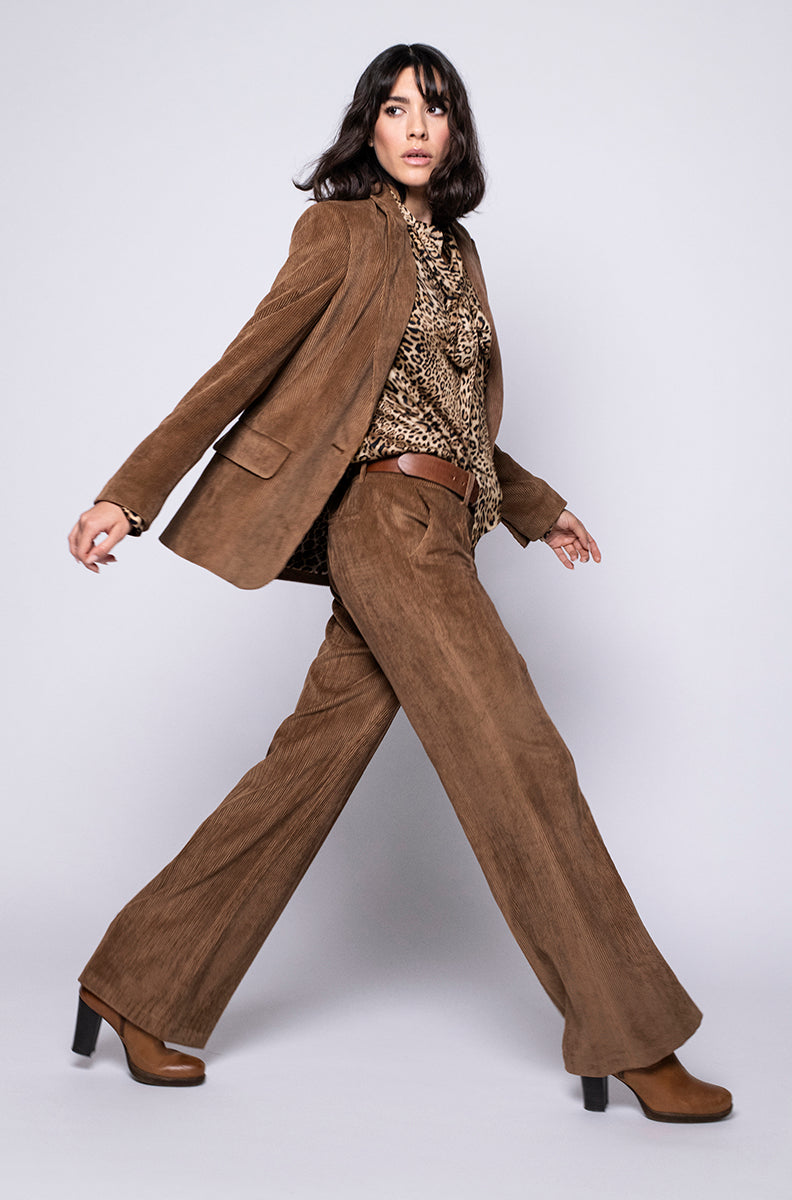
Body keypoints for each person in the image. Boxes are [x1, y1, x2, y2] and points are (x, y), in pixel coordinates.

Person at [67, 44, 731, 1122]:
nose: (415, 127)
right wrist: (128, 494)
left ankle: (135, 985)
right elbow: (242, 368)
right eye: (393, 108)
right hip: (382, 523)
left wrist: (534, 507)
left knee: (304, 771)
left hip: (442, 525)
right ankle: (632, 1039)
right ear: (367, 127)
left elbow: (449, 422)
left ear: (456, 131)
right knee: (520, 757)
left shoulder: (458, 253)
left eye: (434, 109)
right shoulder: (338, 234)